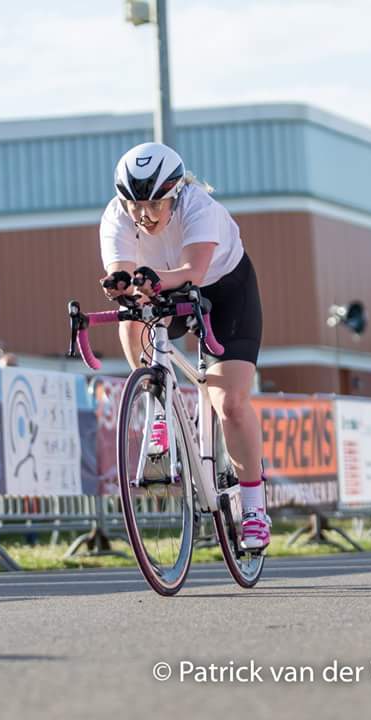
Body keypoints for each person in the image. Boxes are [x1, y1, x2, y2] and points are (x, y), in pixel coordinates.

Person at [98, 142, 269, 550]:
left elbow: (193, 271)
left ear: (175, 193)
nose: (144, 214)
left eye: (156, 203)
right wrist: (122, 284)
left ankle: (254, 507)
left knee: (229, 402)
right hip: (164, 287)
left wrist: (147, 277)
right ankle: (158, 403)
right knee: (134, 312)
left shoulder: (200, 208)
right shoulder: (116, 215)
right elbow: (121, 272)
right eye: (135, 203)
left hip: (224, 290)